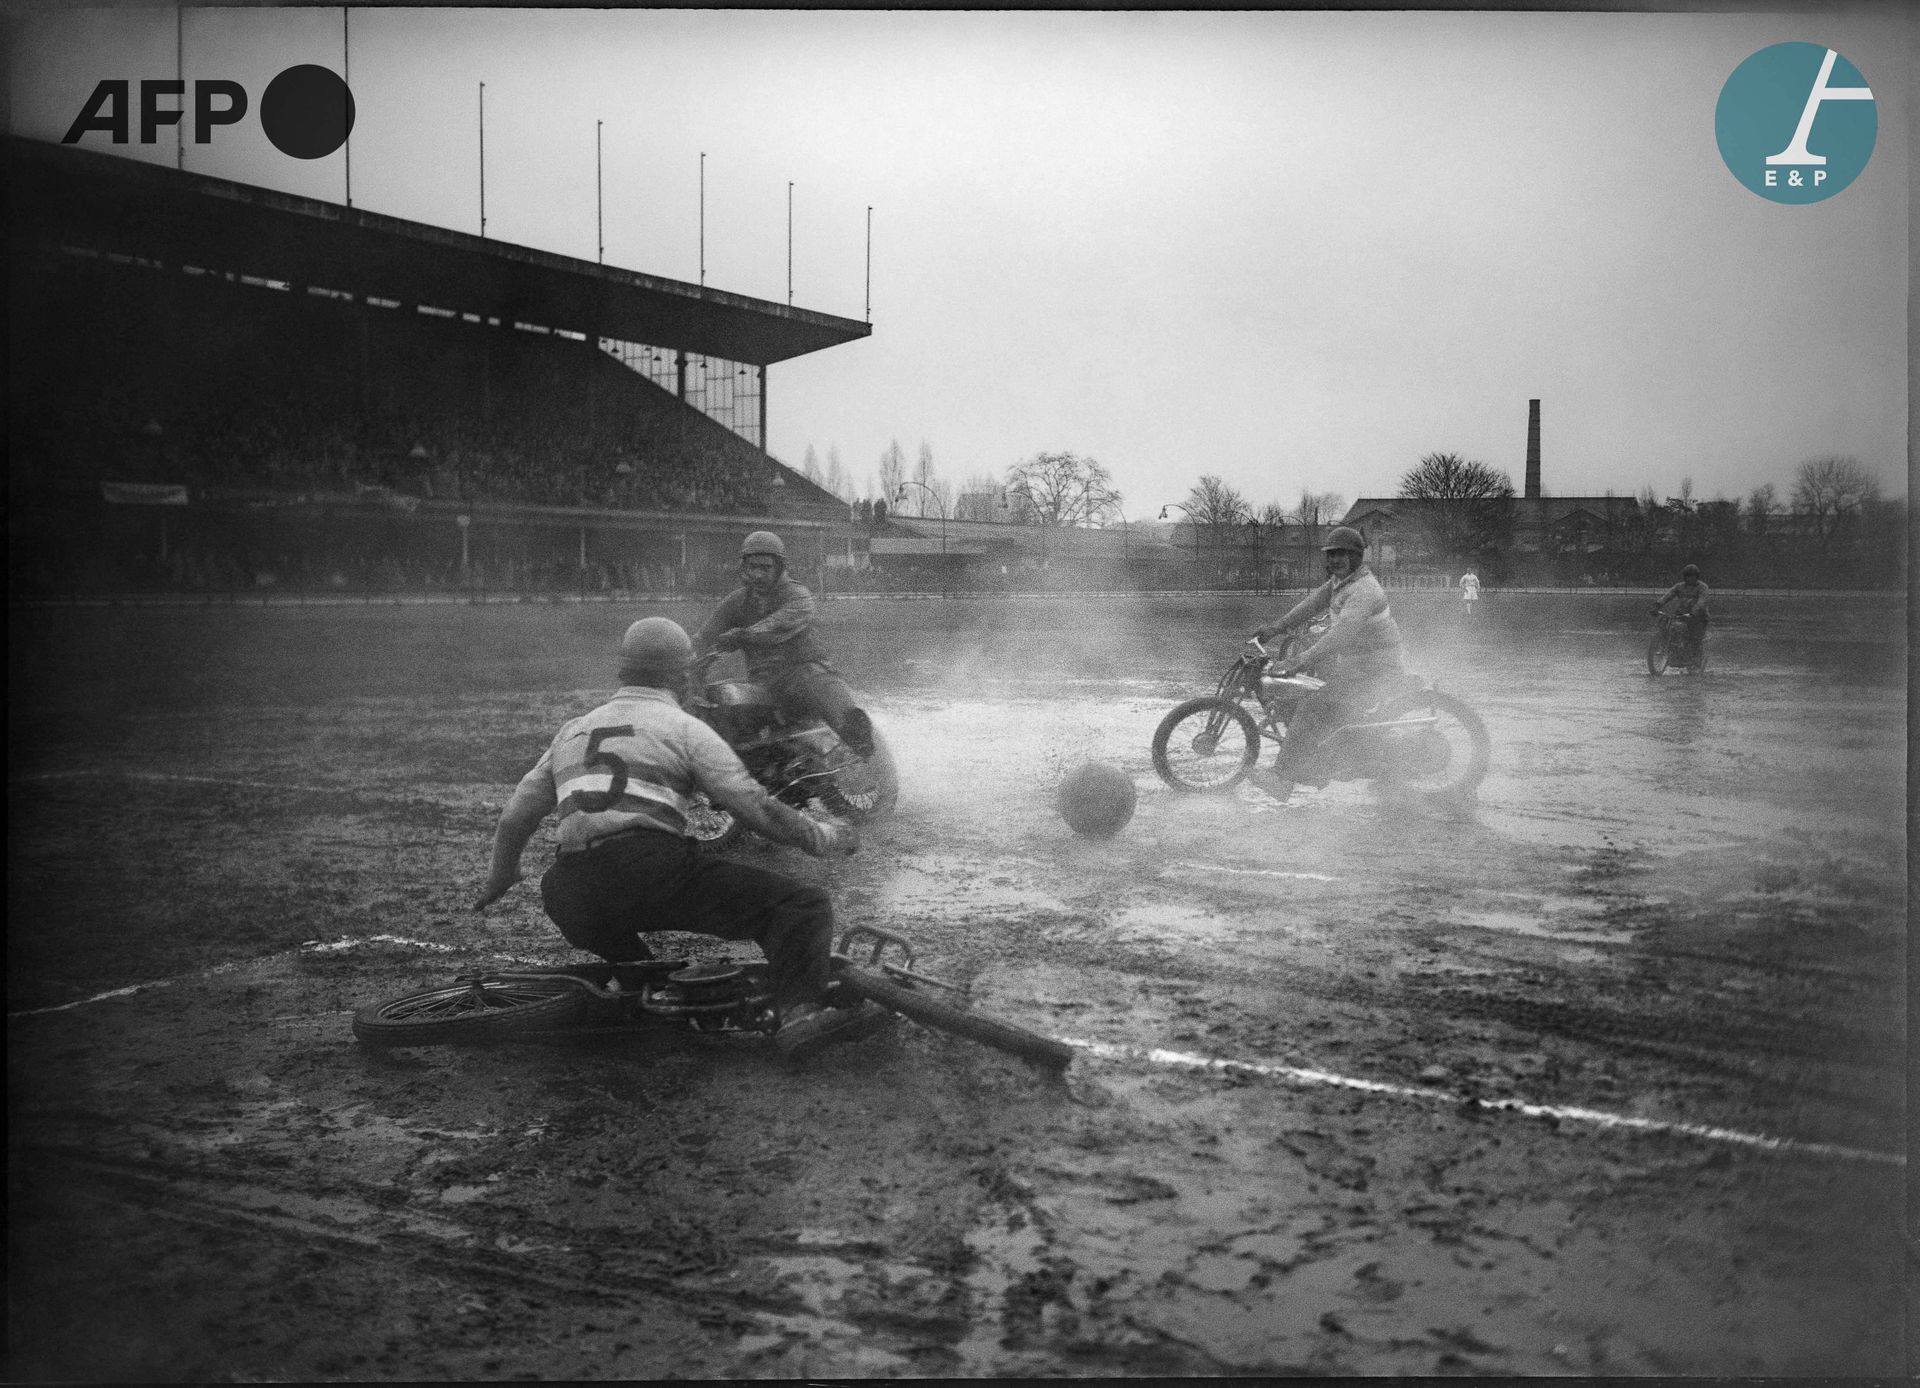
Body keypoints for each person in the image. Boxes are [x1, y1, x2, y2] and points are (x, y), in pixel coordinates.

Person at [472, 616, 870, 1060]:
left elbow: (515, 817)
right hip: (649, 870)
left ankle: (640, 989)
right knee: (802, 906)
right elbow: (755, 806)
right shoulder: (683, 727)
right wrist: (824, 837)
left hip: (568, 889)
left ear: (623, 672)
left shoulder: (574, 730)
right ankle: (801, 1015)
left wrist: (502, 875)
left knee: (629, 951)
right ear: (682, 676)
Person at [1245, 526, 1406, 801]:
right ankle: (1313, 762)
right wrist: (1276, 628)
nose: (1334, 560)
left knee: (1314, 704)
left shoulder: (1364, 590)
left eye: (1341, 555)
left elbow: (1341, 636)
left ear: (1357, 556)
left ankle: (1281, 778)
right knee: (1305, 692)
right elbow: (1311, 604)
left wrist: (1298, 661)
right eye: (1331, 555)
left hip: (1375, 668)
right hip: (1357, 663)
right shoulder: (1341, 582)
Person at [694, 531, 876, 757]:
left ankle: (864, 750)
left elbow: (778, 625)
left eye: (765, 568)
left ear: (779, 567)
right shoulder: (736, 601)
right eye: (752, 567)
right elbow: (704, 638)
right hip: (765, 684)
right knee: (724, 706)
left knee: (844, 714)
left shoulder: (798, 595)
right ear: (744, 568)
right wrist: (686, 662)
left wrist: (741, 636)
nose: (758, 575)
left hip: (806, 674)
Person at [1654, 563, 1711, 657]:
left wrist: (1694, 612)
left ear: (1697, 577)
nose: (1690, 579)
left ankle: (1696, 658)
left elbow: (1702, 602)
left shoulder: (1702, 587)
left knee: (1694, 637)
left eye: (1693, 576)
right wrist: (1658, 605)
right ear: (1685, 577)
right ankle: (1664, 646)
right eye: (1688, 576)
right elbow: (1668, 595)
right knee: (1665, 624)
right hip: (1682, 614)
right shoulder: (1679, 586)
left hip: (1699, 616)